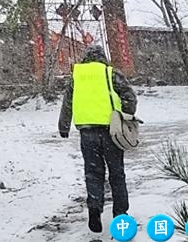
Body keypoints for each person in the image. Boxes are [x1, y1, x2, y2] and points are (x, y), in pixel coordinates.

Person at [58, 44, 138, 234]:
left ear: (86, 58)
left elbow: (67, 102)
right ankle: (120, 213)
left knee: (93, 173)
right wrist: (126, 114)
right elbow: (130, 97)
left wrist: (64, 126)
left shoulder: (76, 76)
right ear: (103, 57)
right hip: (112, 131)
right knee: (116, 173)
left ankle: (95, 207)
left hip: (87, 133)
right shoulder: (110, 73)